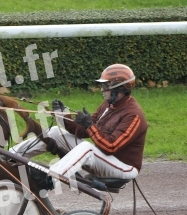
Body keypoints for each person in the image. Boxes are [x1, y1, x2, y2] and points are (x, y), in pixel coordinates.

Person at [10, 64, 148, 186]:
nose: (102, 90)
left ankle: (51, 178)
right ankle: (11, 156)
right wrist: (62, 114)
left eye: (106, 86)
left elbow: (110, 147)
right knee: (54, 132)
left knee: (86, 148)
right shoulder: (108, 104)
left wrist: (90, 125)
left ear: (120, 88)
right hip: (104, 160)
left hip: (124, 168)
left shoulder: (134, 115)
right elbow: (82, 132)